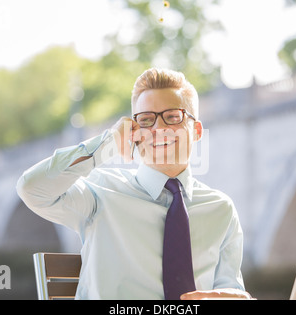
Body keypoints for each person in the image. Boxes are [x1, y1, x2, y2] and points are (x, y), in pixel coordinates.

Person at [16, 68, 251, 300]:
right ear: (133, 131)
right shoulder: (100, 193)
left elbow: (230, 290)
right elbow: (31, 189)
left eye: (172, 117)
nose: (159, 129)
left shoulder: (221, 209)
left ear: (197, 131)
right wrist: (105, 144)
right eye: (146, 120)